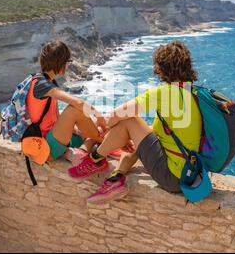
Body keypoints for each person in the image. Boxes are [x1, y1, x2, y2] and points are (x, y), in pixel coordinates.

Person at [68, 41, 203, 203]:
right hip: (190, 171)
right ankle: (115, 179)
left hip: (173, 176)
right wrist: (124, 137)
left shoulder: (164, 93)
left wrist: (99, 131)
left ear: (161, 69)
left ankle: (94, 159)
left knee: (130, 121)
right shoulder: (193, 94)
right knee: (137, 138)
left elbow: (118, 115)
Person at [27, 40, 107, 163]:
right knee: (74, 110)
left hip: (53, 139)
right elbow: (78, 103)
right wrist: (99, 115)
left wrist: (76, 129)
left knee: (94, 125)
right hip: (42, 148)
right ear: (60, 62)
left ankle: (82, 150)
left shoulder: (47, 82)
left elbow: (54, 117)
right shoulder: (41, 84)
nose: (68, 65)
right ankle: (107, 143)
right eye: (68, 61)